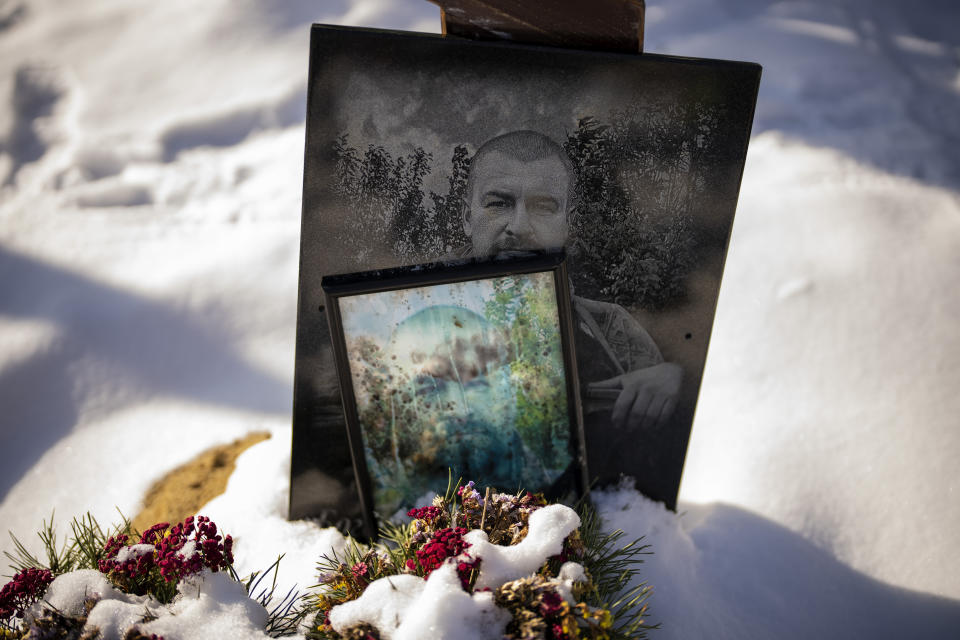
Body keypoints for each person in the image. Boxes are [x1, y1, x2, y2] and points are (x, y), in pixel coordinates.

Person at [458, 130, 683, 433]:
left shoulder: (612, 329)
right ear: (466, 217)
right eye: (499, 203)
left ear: (568, 224)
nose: (520, 227)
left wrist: (679, 383)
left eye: (543, 207)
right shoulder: (396, 317)